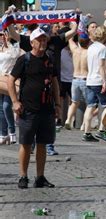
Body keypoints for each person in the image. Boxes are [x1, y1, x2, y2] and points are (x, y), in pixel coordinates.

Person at [7, 28, 60, 189]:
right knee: (26, 143)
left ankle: (40, 177)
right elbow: (10, 81)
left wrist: (58, 105)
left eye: (44, 40)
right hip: (28, 109)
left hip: (47, 109)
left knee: (43, 143)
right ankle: (23, 176)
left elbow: (55, 82)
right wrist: (15, 101)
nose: (43, 42)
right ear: (32, 43)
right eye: (39, 40)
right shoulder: (25, 59)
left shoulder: (49, 59)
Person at [82, 26, 106, 142]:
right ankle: (102, 130)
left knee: (90, 106)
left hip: (89, 79)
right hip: (98, 80)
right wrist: (104, 81)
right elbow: (101, 66)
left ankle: (87, 132)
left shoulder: (91, 47)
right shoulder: (103, 48)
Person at [0, 30, 21, 144]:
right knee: (0, 108)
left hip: (9, 80)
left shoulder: (14, 47)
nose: (2, 37)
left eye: (3, 34)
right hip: (0, 80)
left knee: (6, 106)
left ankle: (12, 131)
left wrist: (9, 42)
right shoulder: (0, 47)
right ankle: (3, 134)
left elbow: (15, 56)